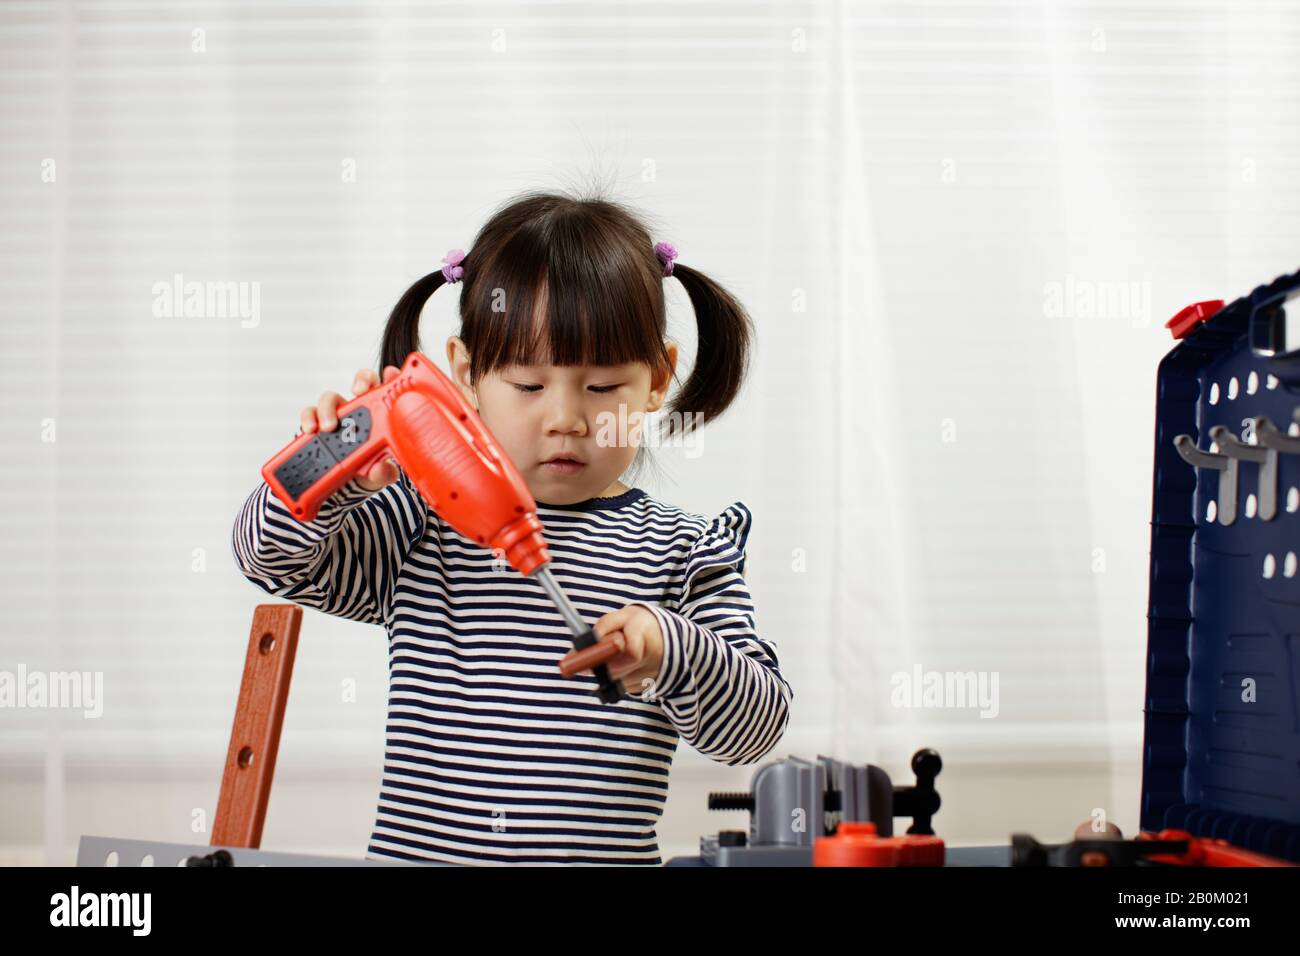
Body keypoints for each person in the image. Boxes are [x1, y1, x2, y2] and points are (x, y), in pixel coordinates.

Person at [231, 189, 792, 865]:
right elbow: (267, 560)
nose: (565, 418)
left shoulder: (685, 552)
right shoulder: (421, 524)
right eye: (529, 386)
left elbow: (755, 733)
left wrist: (669, 647)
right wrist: (329, 475)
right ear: (467, 374)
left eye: (602, 386)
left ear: (657, 380)